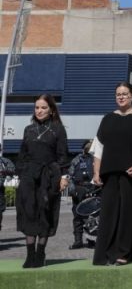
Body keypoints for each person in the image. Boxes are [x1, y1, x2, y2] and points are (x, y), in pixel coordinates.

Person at [92, 81, 132, 266]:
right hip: (109, 174)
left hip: (131, 175)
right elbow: (99, 147)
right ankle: (106, 253)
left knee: (128, 214)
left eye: (125, 93)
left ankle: (124, 252)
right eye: (118, 94)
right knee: (108, 215)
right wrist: (96, 172)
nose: (121, 97)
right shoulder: (107, 119)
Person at [14, 94, 69, 268]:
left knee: (45, 214)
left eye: (43, 107)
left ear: (51, 110)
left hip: (49, 176)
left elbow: (63, 156)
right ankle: (30, 255)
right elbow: (22, 155)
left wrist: (63, 177)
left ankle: (40, 253)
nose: (39, 111)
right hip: (29, 177)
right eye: (37, 107)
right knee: (28, 213)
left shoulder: (58, 129)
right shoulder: (28, 129)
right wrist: (20, 174)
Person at [68, 139, 96, 249]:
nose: (89, 149)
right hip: (78, 190)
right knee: (77, 216)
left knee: (91, 217)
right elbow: (69, 176)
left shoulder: (96, 160)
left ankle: (91, 240)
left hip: (92, 190)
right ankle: (78, 240)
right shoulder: (76, 160)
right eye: (87, 147)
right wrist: (72, 190)